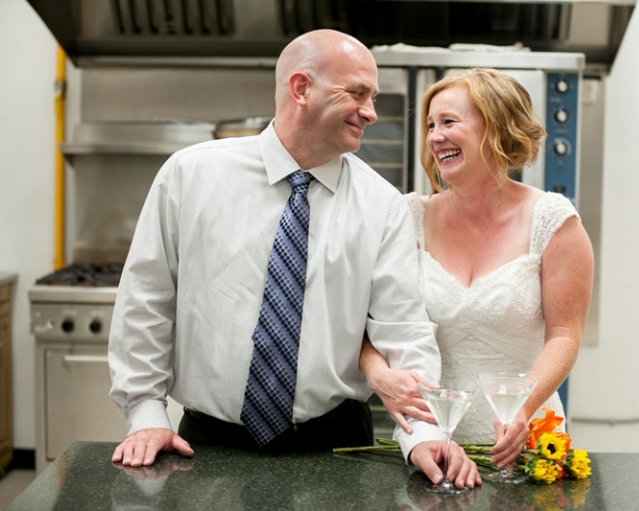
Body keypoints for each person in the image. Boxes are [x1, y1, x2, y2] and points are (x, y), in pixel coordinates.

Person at [108, 29, 480, 490]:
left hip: (338, 448)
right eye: (358, 93)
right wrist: (146, 412)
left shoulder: (382, 204)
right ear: (301, 88)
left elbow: (402, 329)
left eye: (374, 96)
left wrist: (425, 434)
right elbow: (146, 301)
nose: (371, 112)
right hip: (205, 446)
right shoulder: (190, 175)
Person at [360, 68, 594, 473]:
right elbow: (368, 323)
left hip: (523, 446)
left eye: (449, 122)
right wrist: (378, 375)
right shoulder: (408, 217)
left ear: (497, 128)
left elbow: (564, 335)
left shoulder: (553, 221)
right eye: (431, 125)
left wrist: (522, 408)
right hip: (429, 444)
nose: (434, 137)